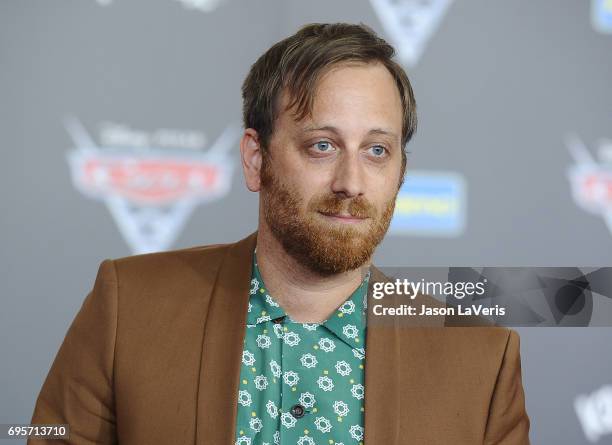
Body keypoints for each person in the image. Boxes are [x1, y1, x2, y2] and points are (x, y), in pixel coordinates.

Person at [28, 22, 530, 444]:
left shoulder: (480, 357)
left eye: (377, 150)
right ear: (255, 159)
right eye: (321, 146)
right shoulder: (128, 309)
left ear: (400, 170)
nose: (351, 183)